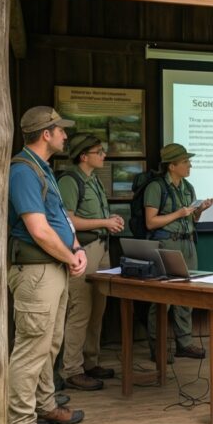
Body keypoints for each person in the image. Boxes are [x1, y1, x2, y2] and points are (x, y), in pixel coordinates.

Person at [6, 106, 86, 424]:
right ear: (46, 134)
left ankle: (46, 406)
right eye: (60, 130)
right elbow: (38, 230)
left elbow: (60, 219)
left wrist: (77, 246)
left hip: (53, 269)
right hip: (37, 271)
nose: (65, 135)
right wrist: (70, 256)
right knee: (31, 348)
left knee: (49, 343)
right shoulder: (23, 171)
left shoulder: (43, 168)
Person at [57, 133, 122, 391]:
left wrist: (109, 221)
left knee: (98, 308)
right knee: (81, 310)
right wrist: (105, 223)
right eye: (99, 151)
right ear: (84, 156)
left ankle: (90, 362)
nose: (103, 155)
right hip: (82, 250)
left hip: (101, 248)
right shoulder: (70, 181)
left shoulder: (92, 180)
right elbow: (68, 220)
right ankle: (72, 369)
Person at [144, 143, 213, 361]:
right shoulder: (156, 188)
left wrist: (198, 212)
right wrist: (178, 213)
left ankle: (184, 342)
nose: (189, 165)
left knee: (187, 295)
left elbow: (191, 219)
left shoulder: (188, 187)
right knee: (162, 298)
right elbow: (150, 222)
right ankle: (158, 347)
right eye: (185, 162)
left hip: (188, 244)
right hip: (167, 245)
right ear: (172, 166)